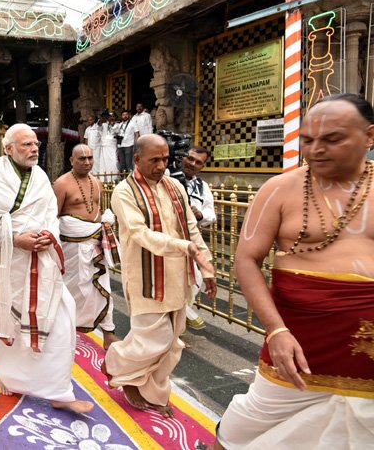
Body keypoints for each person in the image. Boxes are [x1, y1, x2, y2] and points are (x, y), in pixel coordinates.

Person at [214, 94, 374, 449]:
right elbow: (246, 259)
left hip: (367, 349)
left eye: (332, 139)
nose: (316, 149)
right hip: (297, 342)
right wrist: (276, 330)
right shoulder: (280, 189)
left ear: (369, 137)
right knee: (242, 430)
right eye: (307, 140)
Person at [0, 124, 93, 414]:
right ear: (8, 148)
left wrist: (48, 235)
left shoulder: (40, 176)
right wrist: (15, 239)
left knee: (61, 318)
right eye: (26, 145)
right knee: (9, 323)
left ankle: (59, 391)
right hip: (8, 264)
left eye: (35, 143)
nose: (34, 149)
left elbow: (50, 214)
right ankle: (10, 376)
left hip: (41, 261)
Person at [104, 133, 216, 417]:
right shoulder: (124, 192)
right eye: (155, 160)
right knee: (154, 339)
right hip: (146, 277)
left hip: (178, 275)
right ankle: (120, 368)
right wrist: (185, 247)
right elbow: (141, 234)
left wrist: (207, 265)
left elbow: (190, 228)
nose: (161, 165)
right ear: (137, 159)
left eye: (165, 158)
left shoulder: (175, 186)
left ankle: (151, 390)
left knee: (173, 340)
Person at [53, 144, 119, 348]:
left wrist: (104, 223)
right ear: (71, 160)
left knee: (102, 287)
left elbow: (97, 211)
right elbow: (53, 217)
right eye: (81, 158)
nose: (87, 162)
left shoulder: (97, 183)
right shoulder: (62, 184)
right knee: (71, 289)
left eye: (90, 158)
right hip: (71, 247)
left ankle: (109, 332)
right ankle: (65, 329)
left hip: (94, 245)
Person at [169, 145, 216, 331]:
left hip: (190, 241)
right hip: (166, 240)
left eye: (198, 162)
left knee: (193, 282)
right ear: (182, 157)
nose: (192, 164)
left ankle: (176, 326)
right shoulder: (166, 177)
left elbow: (211, 214)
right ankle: (171, 331)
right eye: (190, 158)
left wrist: (199, 215)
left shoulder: (202, 187)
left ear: (202, 167)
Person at [98, 111, 120, 181]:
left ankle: (114, 179)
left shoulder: (118, 125)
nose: (111, 117)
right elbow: (99, 128)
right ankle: (105, 180)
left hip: (112, 146)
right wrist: (102, 118)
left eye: (113, 116)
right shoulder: (104, 124)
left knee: (113, 162)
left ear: (115, 117)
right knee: (104, 164)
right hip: (104, 146)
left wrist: (112, 124)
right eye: (109, 116)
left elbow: (116, 132)